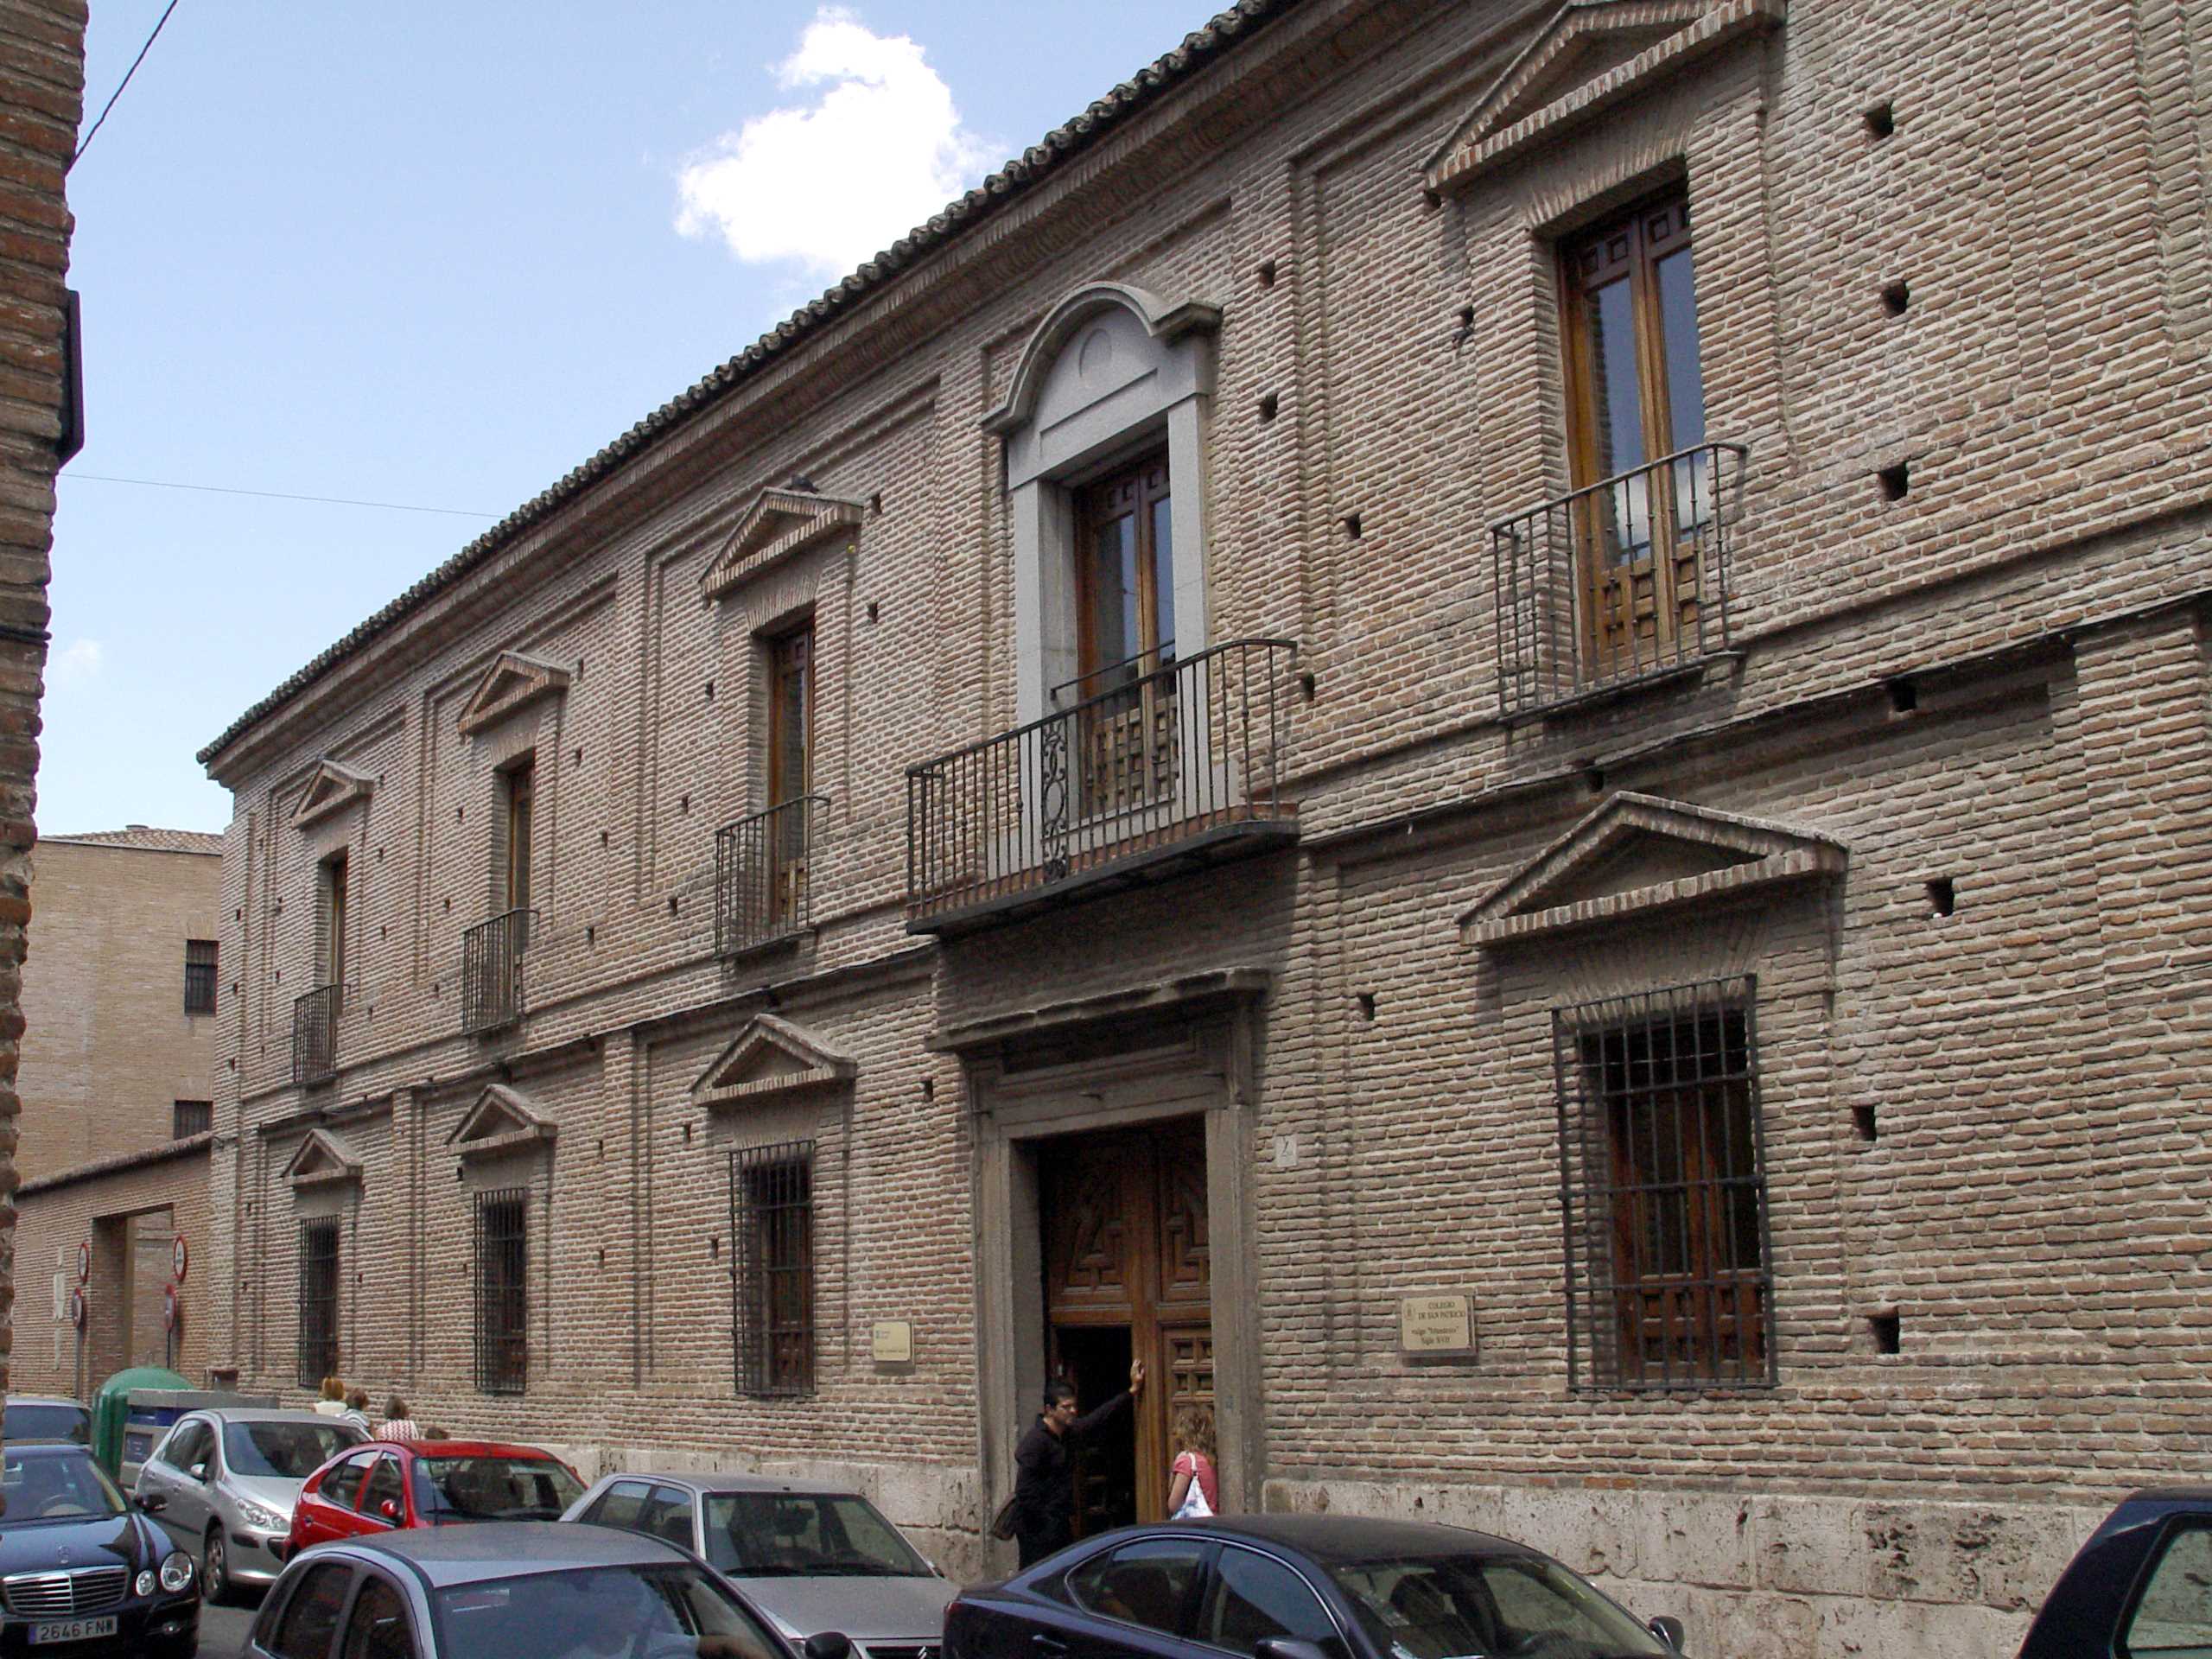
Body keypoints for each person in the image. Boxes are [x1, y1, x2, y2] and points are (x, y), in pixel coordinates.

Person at [1013, 1360, 1143, 1567]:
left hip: (1059, 1522)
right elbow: (1025, 1492)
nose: (1073, 1411)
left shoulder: (1069, 1433)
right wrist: (1044, 1524)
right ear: (1049, 1410)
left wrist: (1131, 1391)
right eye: (1066, 1407)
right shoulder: (1035, 1442)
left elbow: (1097, 1418)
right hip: (1037, 1529)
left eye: (1074, 1406)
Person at [1166, 1403, 1218, 1520]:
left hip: (1193, 1527)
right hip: (1212, 1522)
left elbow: (1173, 1504)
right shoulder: (1210, 1459)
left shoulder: (1187, 1461)